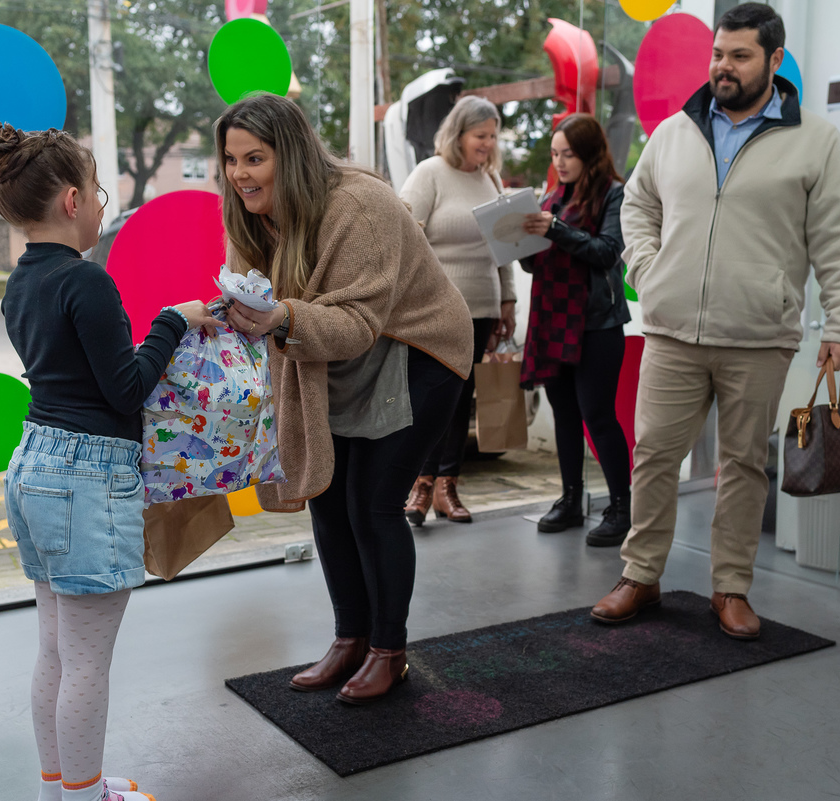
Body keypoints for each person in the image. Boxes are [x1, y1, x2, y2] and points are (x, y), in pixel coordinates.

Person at [590, 3, 840, 638]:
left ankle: (731, 588)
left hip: (758, 335)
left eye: (740, 56)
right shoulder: (673, 132)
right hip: (672, 329)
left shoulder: (816, 141)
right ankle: (641, 575)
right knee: (654, 457)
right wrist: (649, 268)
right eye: (719, 54)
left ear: (775, 60)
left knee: (744, 466)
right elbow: (638, 204)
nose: (724, 66)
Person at [0, 123, 223, 801]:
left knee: (54, 649)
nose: (106, 208)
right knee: (87, 661)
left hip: (34, 464)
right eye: (102, 195)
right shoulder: (88, 283)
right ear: (74, 199)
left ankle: (65, 785)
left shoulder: (19, 283)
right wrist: (173, 321)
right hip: (86, 478)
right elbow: (127, 389)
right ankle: (87, 797)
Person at [213, 93, 473, 704]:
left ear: (292, 154)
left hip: (417, 349)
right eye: (229, 159)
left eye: (254, 158)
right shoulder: (250, 213)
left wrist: (276, 316)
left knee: (372, 504)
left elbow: (356, 322)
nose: (239, 174)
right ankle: (349, 639)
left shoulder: (360, 204)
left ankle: (390, 650)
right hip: (335, 353)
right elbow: (257, 295)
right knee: (327, 499)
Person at [398, 96, 517, 526]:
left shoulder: (492, 180)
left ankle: (448, 486)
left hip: (483, 304)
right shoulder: (430, 173)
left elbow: (504, 249)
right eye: (480, 136)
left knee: (460, 399)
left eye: (492, 136)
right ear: (458, 134)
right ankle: (421, 484)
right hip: (436, 309)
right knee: (431, 398)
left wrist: (508, 299)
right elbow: (404, 233)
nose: (487, 144)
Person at [520, 114, 633, 547]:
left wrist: (557, 230)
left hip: (595, 323)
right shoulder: (550, 198)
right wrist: (521, 245)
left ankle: (620, 508)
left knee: (598, 418)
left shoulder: (613, 194)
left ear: (589, 154)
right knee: (565, 417)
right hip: (553, 321)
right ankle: (570, 500)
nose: (560, 162)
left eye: (568, 154)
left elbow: (607, 253)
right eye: (555, 154)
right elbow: (539, 261)